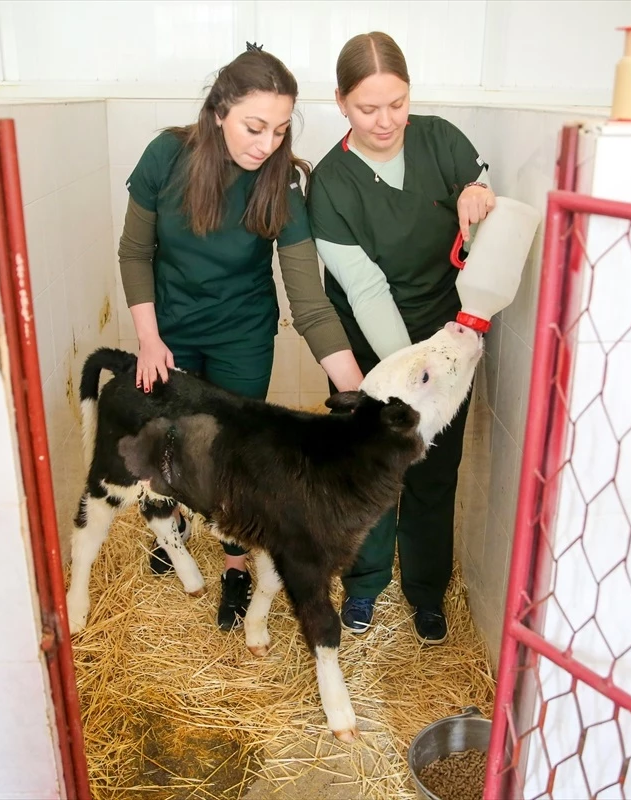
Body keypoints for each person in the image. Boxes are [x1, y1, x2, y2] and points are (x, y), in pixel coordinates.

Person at [117, 43, 364, 631]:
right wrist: (149, 341)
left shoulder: (284, 183)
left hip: (243, 333)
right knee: (173, 440)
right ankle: (170, 526)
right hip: (170, 331)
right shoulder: (165, 157)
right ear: (220, 109)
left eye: (280, 130)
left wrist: (356, 394)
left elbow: (308, 301)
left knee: (232, 458)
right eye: (256, 127)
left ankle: (233, 566)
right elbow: (135, 252)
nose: (268, 144)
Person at [306, 32, 497, 646]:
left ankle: (426, 591)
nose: (386, 121)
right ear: (339, 102)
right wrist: (405, 382)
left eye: (398, 103)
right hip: (375, 353)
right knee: (369, 476)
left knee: (436, 470)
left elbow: (484, 202)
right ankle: (363, 588)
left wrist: (480, 197)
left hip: (447, 340)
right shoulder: (331, 184)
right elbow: (364, 292)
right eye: (368, 108)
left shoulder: (442, 140)